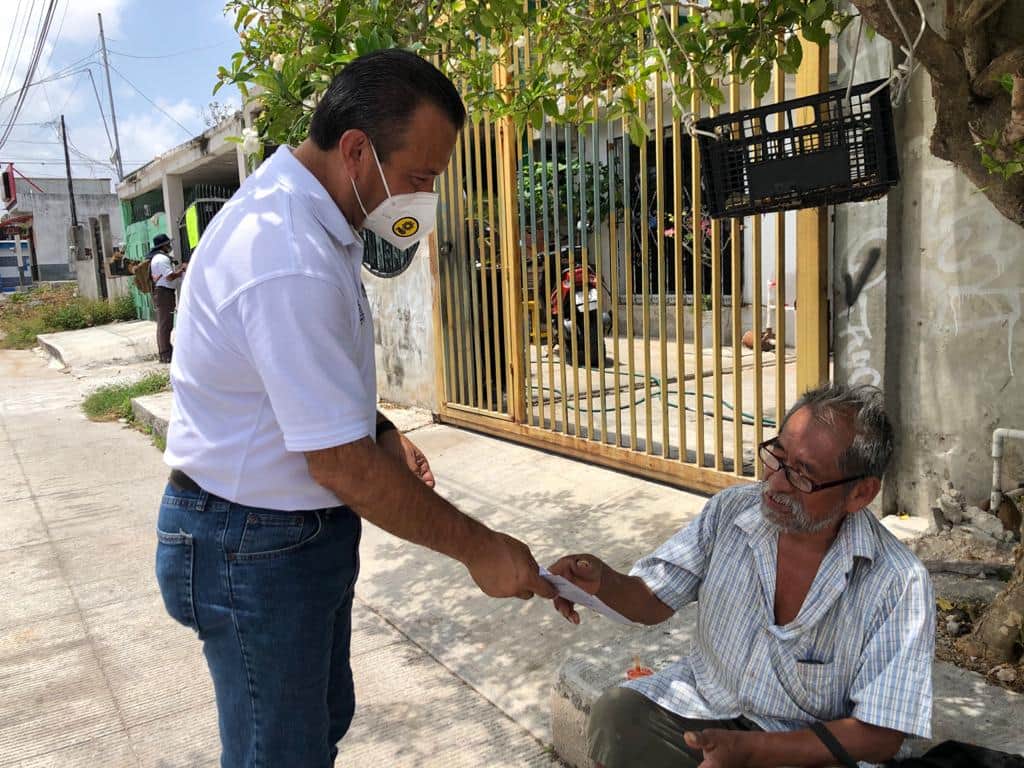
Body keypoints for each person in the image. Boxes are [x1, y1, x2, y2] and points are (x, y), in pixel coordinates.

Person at [153, 49, 555, 768]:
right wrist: (482, 549)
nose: (425, 199)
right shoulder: (285, 252)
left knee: (318, 725)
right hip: (250, 544)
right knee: (280, 754)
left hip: (281, 538)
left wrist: (379, 428)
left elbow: (301, 383)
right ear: (357, 151)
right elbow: (340, 466)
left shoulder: (316, 220)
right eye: (420, 178)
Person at [549, 383, 935, 768]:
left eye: (803, 475)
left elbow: (881, 734)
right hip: (706, 704)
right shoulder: (731, 511)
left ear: (860, 494)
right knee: (619, 718)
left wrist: (752, 753)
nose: (776, 483)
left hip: (806, 747)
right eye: (778, 456)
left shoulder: (898, 582)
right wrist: (601, 582)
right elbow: (652, 599)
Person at [148, 233, 186, 363]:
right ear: (163, 245)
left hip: (163, 293)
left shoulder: (158, 258)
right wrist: (181, 270)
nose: (169, 246)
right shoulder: (161, 259)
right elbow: (169, 276)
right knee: (165, 324)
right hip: (164, 293)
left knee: (165, 323)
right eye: (168, 244)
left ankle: (166, 351)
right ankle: (165, 354)